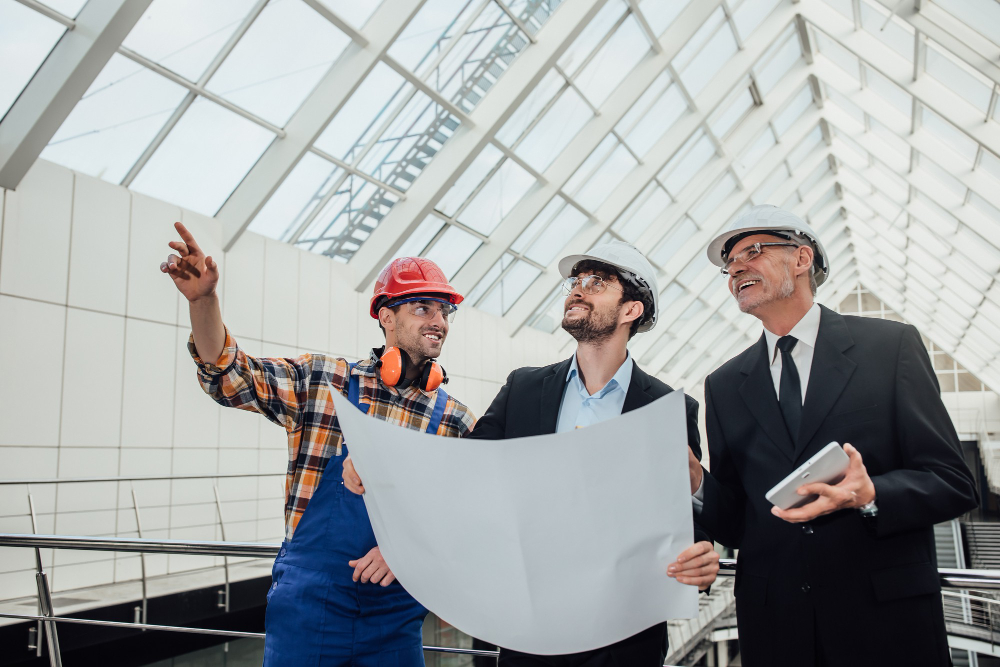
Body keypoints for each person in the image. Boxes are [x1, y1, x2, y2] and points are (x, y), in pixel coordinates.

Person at [347, 240, 719, 666]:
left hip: (625, 642)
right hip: (529, 636)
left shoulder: (669, 409)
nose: (577, 289)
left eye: (596, 282)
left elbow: (687, 524)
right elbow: (461, 475)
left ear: (631, 310)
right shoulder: (524, 390)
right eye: (576, 281)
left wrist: (701, 559)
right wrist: (382, 467)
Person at [160, 222, 475, 666]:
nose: (439, 321)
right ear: (386, 316)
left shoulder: (456, 421)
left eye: (445, 311)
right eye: (423, 308)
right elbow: (231, 375)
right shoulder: (325, 381)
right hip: (309, 608)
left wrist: (405, 551)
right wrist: (203, 300)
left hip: (396, 615)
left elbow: (469, 518)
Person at [690, 205, 978, 666]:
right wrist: (696, 482)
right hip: (777, 632)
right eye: (730, 263)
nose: (736, 268)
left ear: (802, 259)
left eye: (753, 251)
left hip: (885, 627)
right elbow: (737, 522)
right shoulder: (723, 385)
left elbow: (953, 481)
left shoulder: (891, 349)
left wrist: (870, 494)